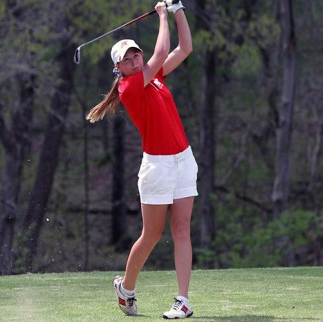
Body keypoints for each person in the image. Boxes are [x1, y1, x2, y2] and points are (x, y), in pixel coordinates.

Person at [86, 0, 196, 319]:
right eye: (127, 59)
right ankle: (127, 288)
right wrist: (162, 16)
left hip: (183, 160)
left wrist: (177, 11)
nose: (134, 59)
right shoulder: (130, 86)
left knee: (182, 229)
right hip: (157, 167)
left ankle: (183, 301)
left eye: (136, 54)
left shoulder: (154, 75)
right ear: (118, 68)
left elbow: (184, 47)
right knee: (152, 235)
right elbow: (161, 53)